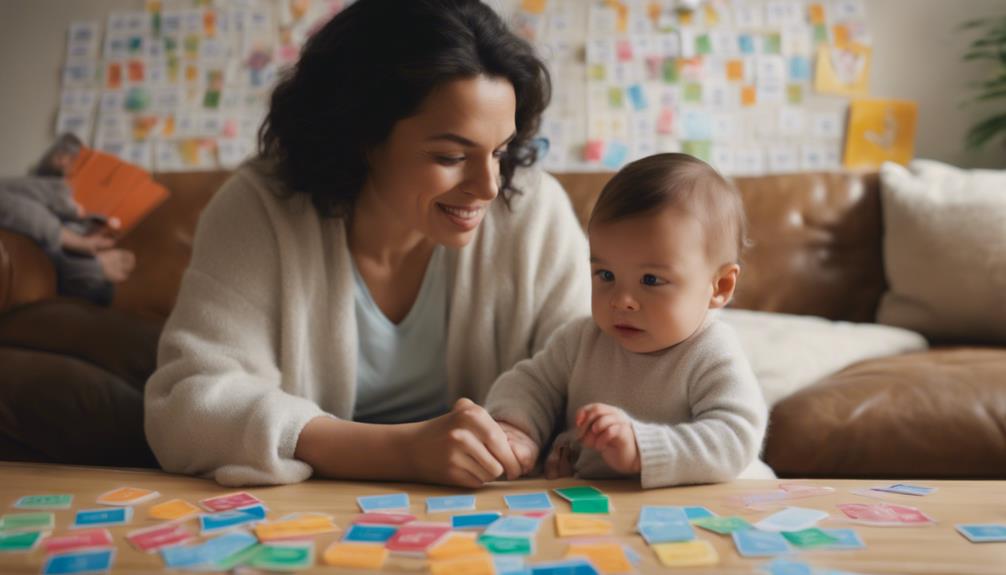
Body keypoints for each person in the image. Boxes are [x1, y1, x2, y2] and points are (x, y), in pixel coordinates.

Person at [144, 0, 590, 487]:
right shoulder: (260, 208)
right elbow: (187, 404)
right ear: (361, 136)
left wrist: (521, 434)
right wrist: (402, 453)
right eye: (450, 155)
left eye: (500, 152)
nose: (488, 186)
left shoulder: (531, 208)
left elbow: (600, 371)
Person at [485, 153, 773, 488]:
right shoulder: (582, 340)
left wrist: (642, 449)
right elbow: (530, 383)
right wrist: (516, 430)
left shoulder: (711, 352)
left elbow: (735, 438)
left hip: (714, 505)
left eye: (651, 280)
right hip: (602, 508)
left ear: (719, 287)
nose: (621, 300)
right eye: (605, 274)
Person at [0, 134, 134, 306]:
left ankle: (90, 269)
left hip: (76, 240)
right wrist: (78, 241)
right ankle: (90, 269)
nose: (64, 161)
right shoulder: (31, 184)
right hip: (45, 243)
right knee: (76, 267)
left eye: (73, 158)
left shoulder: (82, 192)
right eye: (64, 155)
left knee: (96, 278)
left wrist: (94, 227)